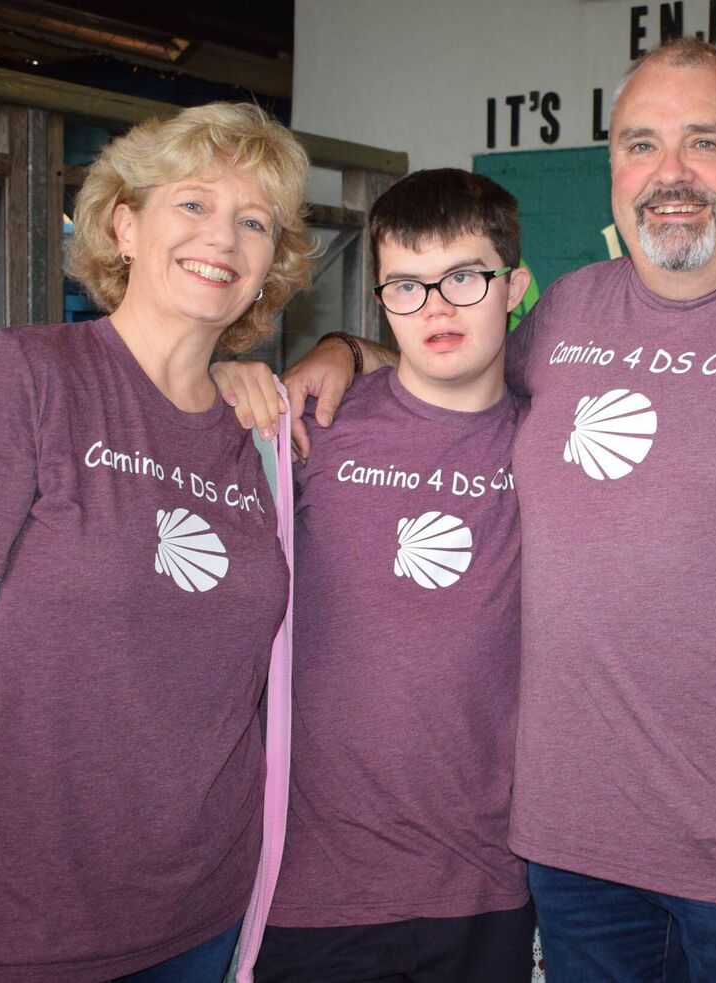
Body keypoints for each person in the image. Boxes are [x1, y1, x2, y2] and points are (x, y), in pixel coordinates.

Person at [230, 39, 716, 983]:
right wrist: (340, 350)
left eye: (705, 141)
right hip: (573, 854)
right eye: (640, 144)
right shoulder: (569, 312)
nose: (670, 172)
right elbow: (452, 356)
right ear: (612, 170)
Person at [0, 102, 313, 983]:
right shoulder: (21, 378)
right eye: (193, 204)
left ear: (270, 267)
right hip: (20, 912)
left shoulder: (259, 433)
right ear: (123, 226)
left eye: (255, 222)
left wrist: (346, 350)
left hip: (204, 907)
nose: (223, 236)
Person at [250, 169, 535, 983]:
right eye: (407, 286)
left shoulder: (551, 441)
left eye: (463, 277)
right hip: (314, 887)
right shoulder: (311, 428)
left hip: (483, 881)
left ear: (513, 286)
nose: (436, 308)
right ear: (381, 300)